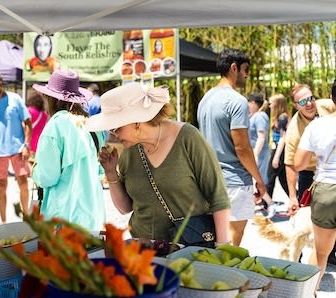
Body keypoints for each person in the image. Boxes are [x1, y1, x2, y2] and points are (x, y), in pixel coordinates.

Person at [85, 82, 231, 243]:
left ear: (136, 122)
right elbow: (125, 208)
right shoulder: (129, 152)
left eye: (116, 128)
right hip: (144, 252)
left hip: (190, 249)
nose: (113, 134)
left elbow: (218, 197)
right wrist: (111, 172)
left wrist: (222, 248)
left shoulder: (188, 137)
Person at [197, 48, 265, 246]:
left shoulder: (205, 99)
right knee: (231, 246)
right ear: (234, 68)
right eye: (246, 69)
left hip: (209, 180)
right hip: (234, 181)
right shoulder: (237, 101)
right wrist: (259, 180)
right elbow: (242, 148)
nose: (247, 74)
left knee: (216, 240)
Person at [32, 70, 106, 231]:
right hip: (93, 216)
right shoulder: (91, 125)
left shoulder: (54, 126)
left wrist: (35, 170)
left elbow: (47, 178)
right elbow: (100, 171)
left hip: (63, 219)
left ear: (50, 98)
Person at [294, 82, 336, 292]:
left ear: (331, 97)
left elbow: (299, 163)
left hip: (326, 190)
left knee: (321, 253)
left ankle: (310, 294)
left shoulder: (316, 126)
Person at [0, 72, 32, 223]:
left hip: (17, 148)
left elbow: (28, 122)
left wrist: (27, 145)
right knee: (1, 185)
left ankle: (26, 218)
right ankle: (3, 222)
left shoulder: (15, 99)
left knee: (23, 182)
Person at [284, 84, 336, 216]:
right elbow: (290, 164)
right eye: (303, 102)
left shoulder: (327, 105)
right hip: (309, 172)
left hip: (332, 167)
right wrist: (292, 197)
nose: (309, 104)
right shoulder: (293, 131)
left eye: (310, 98)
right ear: (296, 106)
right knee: (307, 216)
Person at [262, 94, 290, 214]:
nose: (270, 105)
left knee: (270, 177)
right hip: (277, 149)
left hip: (280, 150)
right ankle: (298, 200)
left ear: (278, 104)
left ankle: (267, 205)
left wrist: (276, 157)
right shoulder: (278, 117)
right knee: (283, 180)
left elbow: (283, 138)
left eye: (271, 103)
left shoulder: (283, 118)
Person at [247, 92, 271, 215]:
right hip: (255, 153)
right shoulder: (254, 116)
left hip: (260, 154)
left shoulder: (260, 116)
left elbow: (261, 137)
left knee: (258, 181)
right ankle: (265, 204)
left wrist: (255, 154)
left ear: (253, 103)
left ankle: (270, 205)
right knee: (255, 181)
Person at [26, 91, 48, 203]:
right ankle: (40, 187)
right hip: (41, 146)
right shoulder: (44, 115)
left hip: (30, 145)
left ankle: (36, 183)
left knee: (31, 167)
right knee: (38, 167)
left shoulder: (29, 112)